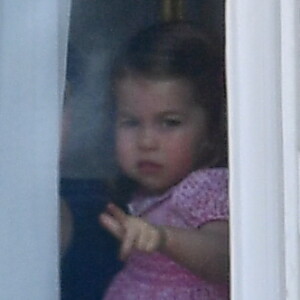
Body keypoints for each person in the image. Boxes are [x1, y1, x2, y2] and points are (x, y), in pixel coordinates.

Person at [99, 21, 229, 299]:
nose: (147, 142)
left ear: (209, 131)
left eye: (169, 123)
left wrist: (163, 238)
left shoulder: (203, 187)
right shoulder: (142, 195)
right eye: (131, 122)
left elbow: (225, 258)